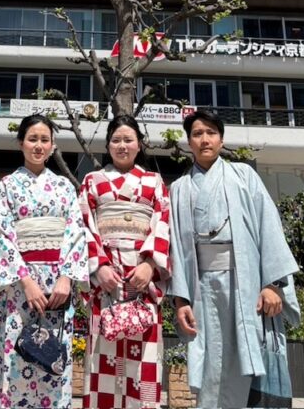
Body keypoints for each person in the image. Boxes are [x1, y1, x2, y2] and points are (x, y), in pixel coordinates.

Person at [169, 108, 300, 409]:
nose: (204, 140)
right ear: (189, 142)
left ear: (221, 139)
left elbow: (269, 226)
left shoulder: (244, 176)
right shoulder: (179, 189)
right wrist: (180, 300)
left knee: (248, 352)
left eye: (211, 133)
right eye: (197, 134)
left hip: (246, 283)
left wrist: (272, 284)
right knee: (210, 358)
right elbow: (175, 247)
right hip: (201, 287)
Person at [0, 113, 88, 409]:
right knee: (16, 360)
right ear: (21, 143)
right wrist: (27, 282)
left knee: (54, 360)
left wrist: (67, 278)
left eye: (45, 140)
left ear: (53, 145)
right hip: (21, 287)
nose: (39, 145)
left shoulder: (64, 186)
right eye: (32, 139)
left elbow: (76, 233)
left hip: (58, 288)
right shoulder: (8, 185)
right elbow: (0, 235)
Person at [78, 113, 171, 409]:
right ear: (107, 145)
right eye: (116, 140)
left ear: (139, 144)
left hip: (142, 283)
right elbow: (83, 225)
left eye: (128, 140)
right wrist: (99, 267)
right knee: (102, 361)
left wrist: (150, 265)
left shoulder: (154, 181)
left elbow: (163, 223)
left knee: (144, 364)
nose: (122, 145)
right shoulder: (92, 181)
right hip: (106, 283)